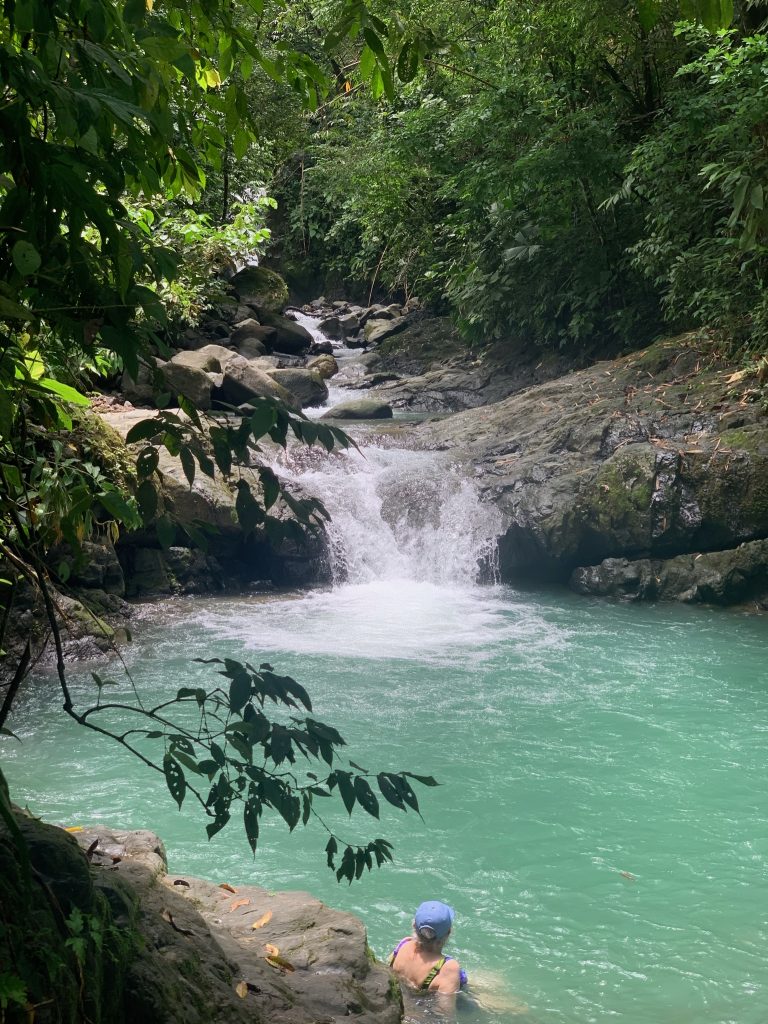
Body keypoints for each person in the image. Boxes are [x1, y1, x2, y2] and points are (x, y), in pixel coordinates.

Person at [389, 900, 468, 1001]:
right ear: (449, 932)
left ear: (414, 925)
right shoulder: (448, 968)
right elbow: (445, 1014)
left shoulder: (404, 944)